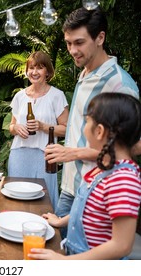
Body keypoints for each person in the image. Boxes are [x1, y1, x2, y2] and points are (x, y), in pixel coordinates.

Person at [44, 7, 140, 235]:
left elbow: (133, 146)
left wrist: (74, 153)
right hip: (72, 186)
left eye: (79, 42)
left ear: (100, 38)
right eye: (68, 43)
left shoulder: (119, 84)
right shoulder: (85, 73)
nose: (72, 50)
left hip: (99, 194)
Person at [30, 93, 141, 260]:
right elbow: (89, 208)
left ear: (99, 131)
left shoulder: (123, 179)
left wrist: (65, 261)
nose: (83, 128)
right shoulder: (105, 168)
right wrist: (61, 221)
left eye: (87, 121)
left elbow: (122, 245)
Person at [8, 51, 69, 209]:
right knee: (16, 198)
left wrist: (42, 127)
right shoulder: (20, 96)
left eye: (40, 68)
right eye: (31, 68)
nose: (34, 72)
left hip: (45, 157)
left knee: (43, 201)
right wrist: (16, 127)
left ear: (47, 72)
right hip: (19, 155)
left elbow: (66, 129)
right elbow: (11, 127)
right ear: (27, 71)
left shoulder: (57, 95)